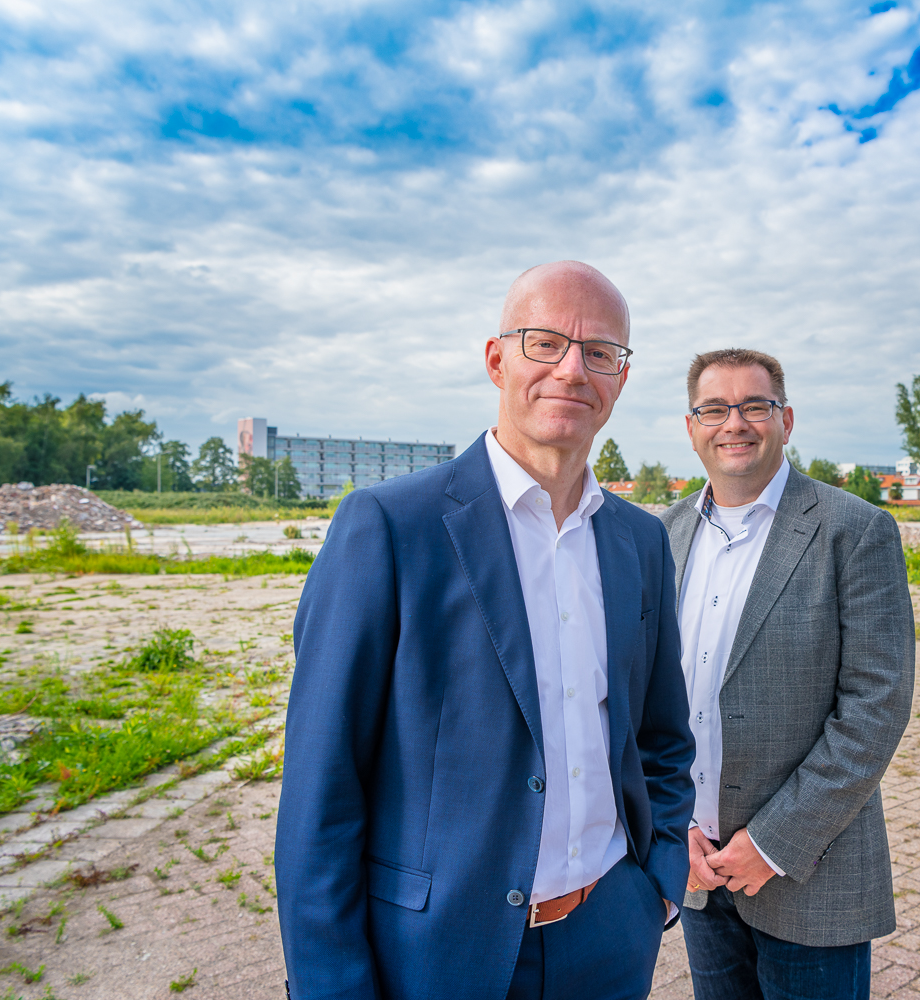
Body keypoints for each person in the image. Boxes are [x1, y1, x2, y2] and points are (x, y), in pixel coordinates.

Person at [275, 262, 696, 1000]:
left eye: (600, 352)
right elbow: (322, 789)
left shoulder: (640, 542)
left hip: (609, 937)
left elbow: (661, 735)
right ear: (497, 359)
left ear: (620, 380)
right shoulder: (388, 527)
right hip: (436, 957)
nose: (572, 369)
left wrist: (657, 884)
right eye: (545, 342)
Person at [661, 348, 916, 1000]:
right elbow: (647, 700)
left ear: (786, 418)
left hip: (808, 871)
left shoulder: (854, 530)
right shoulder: (659, 537)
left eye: (755, 406)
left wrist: (773, 843)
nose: (734, 424)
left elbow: (875, 705)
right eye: (714, 409)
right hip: (698, 869)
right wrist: (674, 824)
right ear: (692, 426)